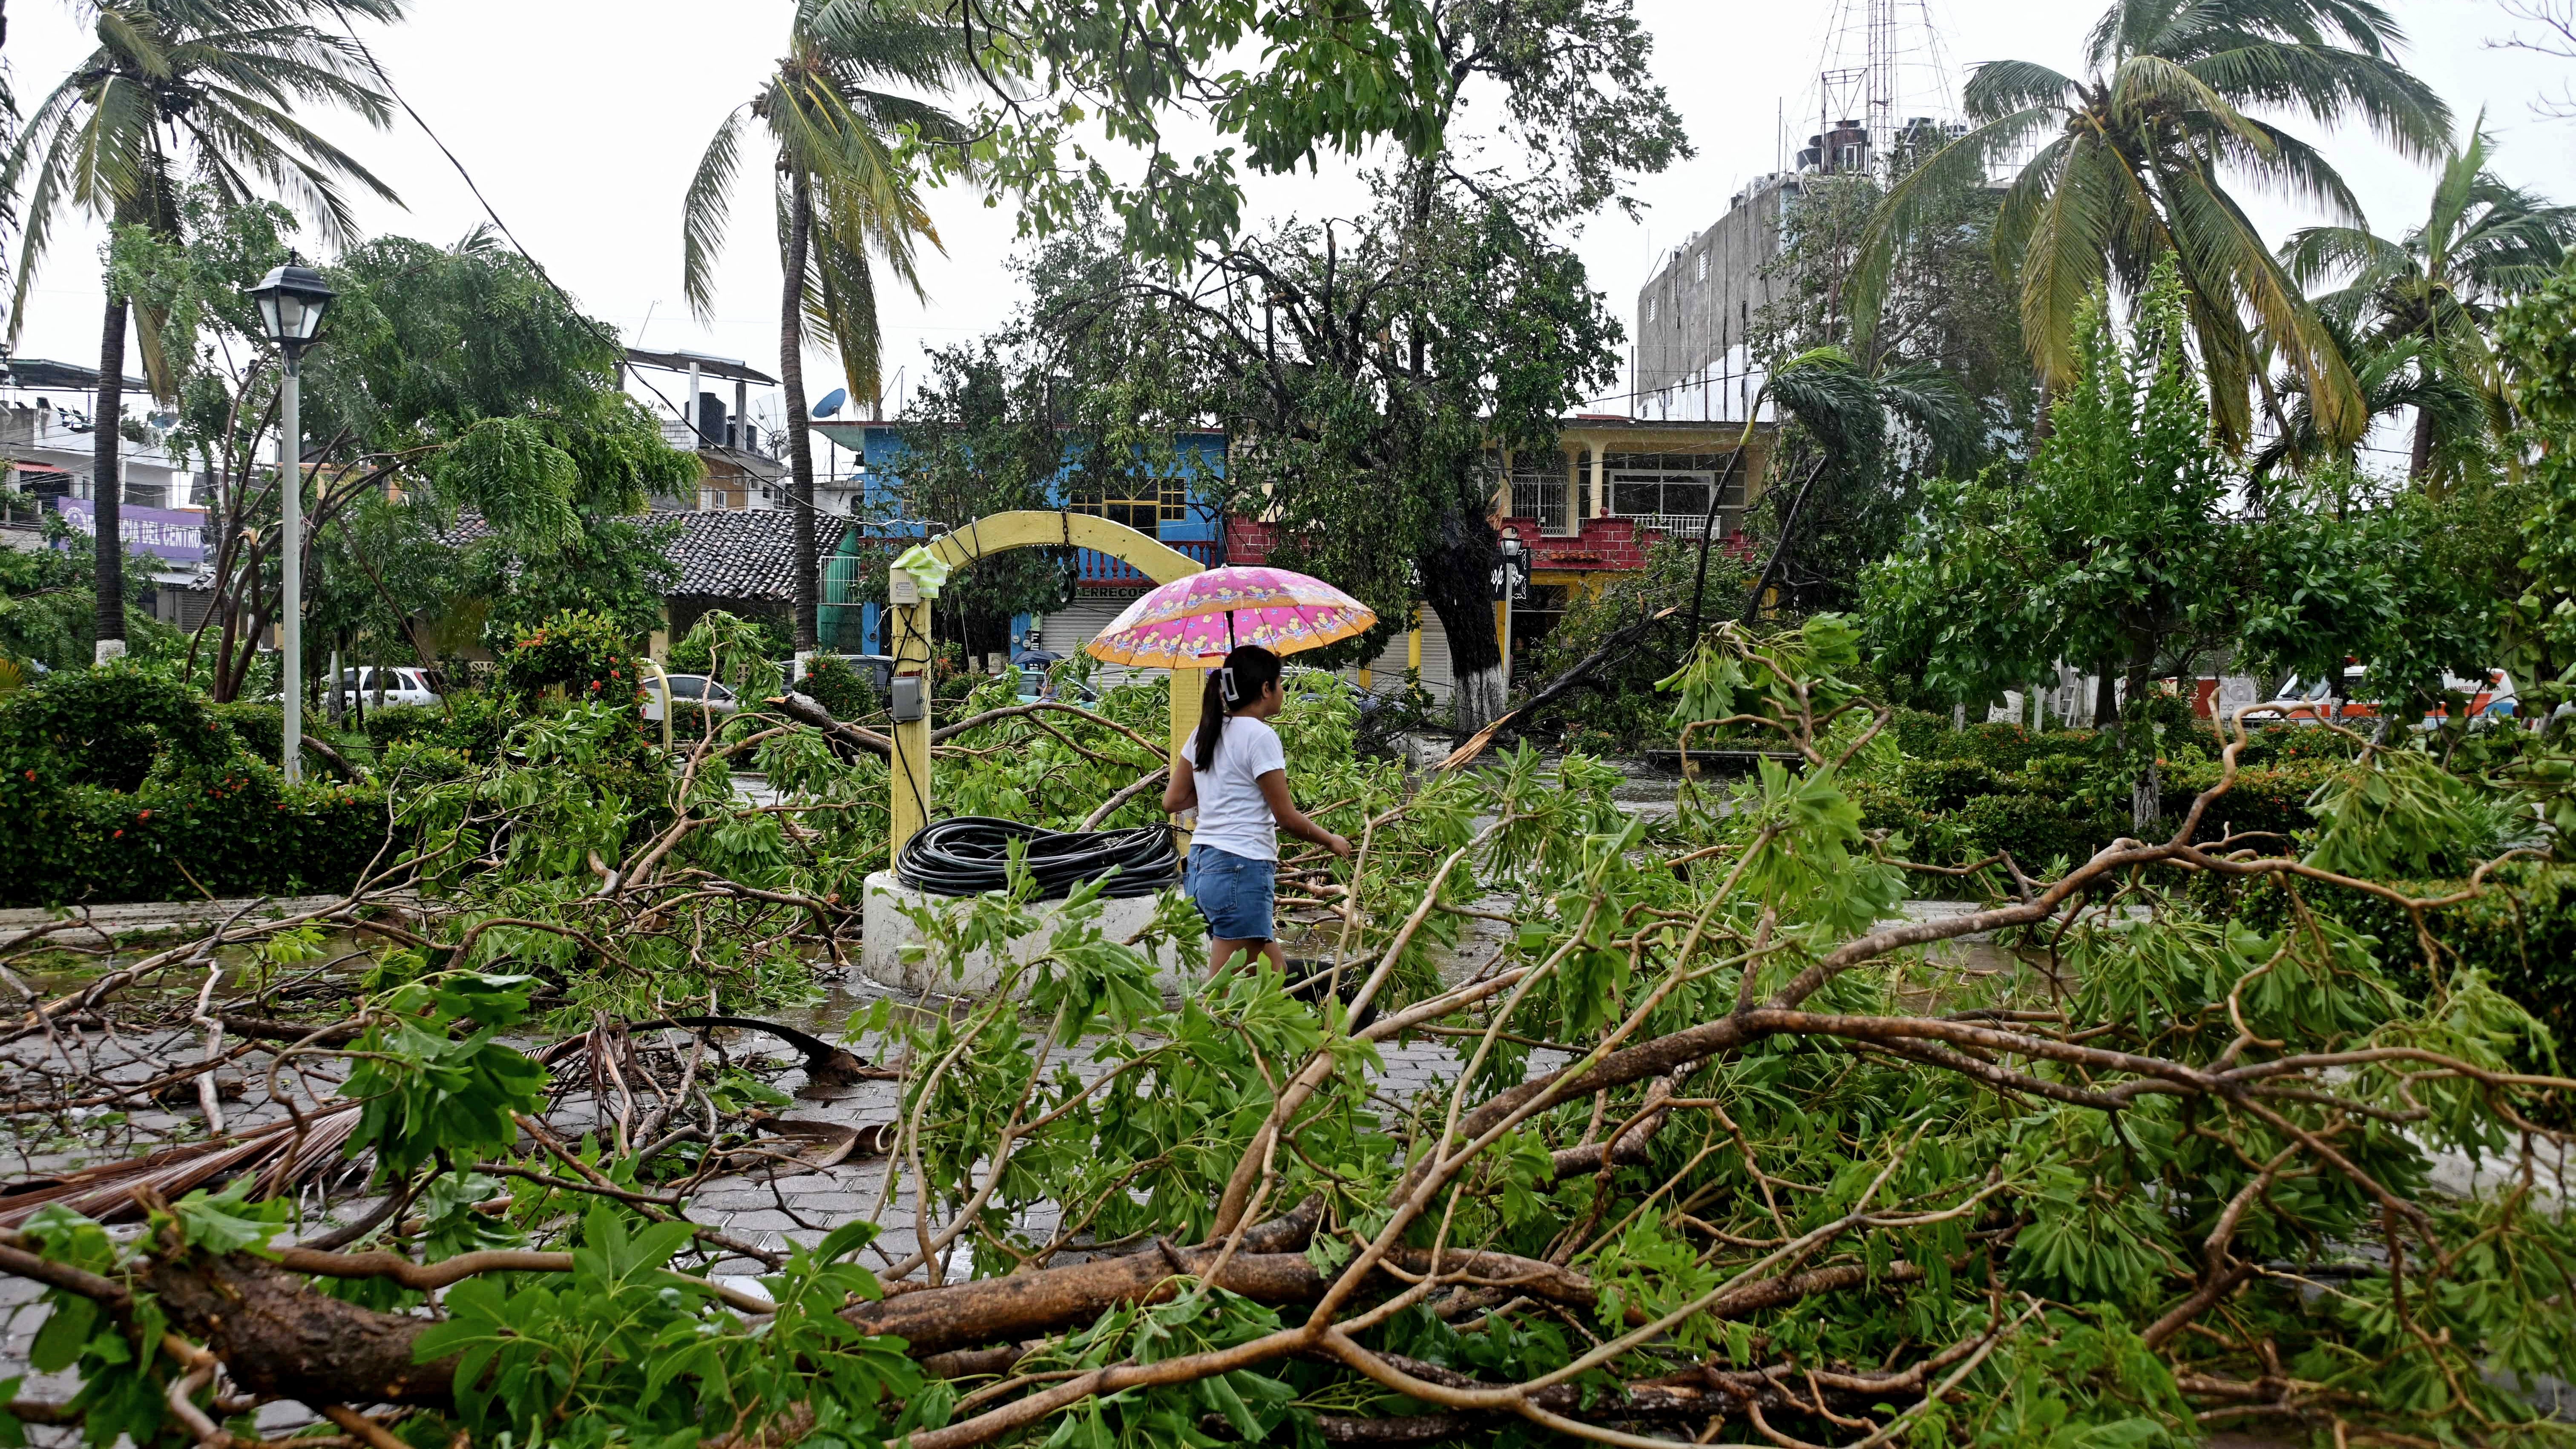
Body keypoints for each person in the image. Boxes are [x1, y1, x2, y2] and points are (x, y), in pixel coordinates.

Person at [1162, 644, 1351, 977]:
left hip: (1202, 868)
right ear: (1266, 689)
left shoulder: (1204, 732)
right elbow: (1286, 817)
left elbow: (1173, 801)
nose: (1282, 691)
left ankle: (1312, 1028)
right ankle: (1200, 1029)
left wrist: (1218, 792)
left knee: (1272, 976)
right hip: (1239, 868)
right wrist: (1331, 840)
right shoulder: (1260, 737)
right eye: (1280, 683)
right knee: (1220, 992)